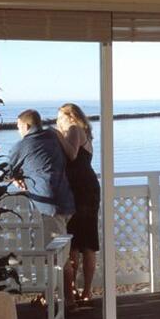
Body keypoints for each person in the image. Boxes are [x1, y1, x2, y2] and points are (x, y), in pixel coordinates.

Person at [8, 109, 77, 311]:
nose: (17, 130)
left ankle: (65, 302)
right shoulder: (52, 136)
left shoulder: (22, 146)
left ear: (26, 126)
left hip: (49, 206)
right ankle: (50, 297)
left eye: (18, 126)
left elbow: (9, 172)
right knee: (58, 250)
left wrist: (17, 180)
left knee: (56, 256)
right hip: (66, 202)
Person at [55, 103, 100, 303]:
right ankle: (86, 291)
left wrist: (57, 135)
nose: (58, 121)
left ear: (70, 116)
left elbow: (72, 154)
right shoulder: (86, 133)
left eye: (59, 117)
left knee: (74, 242)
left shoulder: (74, 129)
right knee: (88, 241)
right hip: (88, 188)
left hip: (80, 191)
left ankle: (73, 291)